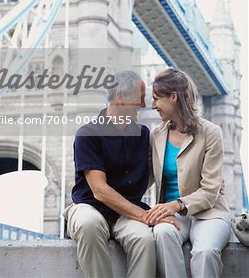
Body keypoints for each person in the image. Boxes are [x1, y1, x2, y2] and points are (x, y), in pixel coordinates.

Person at [63, 70, 179, 278]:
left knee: (145, 239)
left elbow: (167, 169)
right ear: (120, 98)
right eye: (140, 99)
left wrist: (204, 181)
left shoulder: (144, 135)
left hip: (126, 213)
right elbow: (99, 191)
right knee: (88, 224)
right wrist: (145, 216)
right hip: (90, 206)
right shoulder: (87, 134)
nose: (144, 105)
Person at [146, 68, 231, 278]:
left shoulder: (211, 132)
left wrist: (177, 204)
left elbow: (210, 192)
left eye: (157, 98)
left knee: (205, 252)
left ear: (173, 97)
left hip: (209, 214)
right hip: (173, 215)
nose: (152, 105)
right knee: (162, 232)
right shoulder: (156, 134)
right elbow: (142, 177)